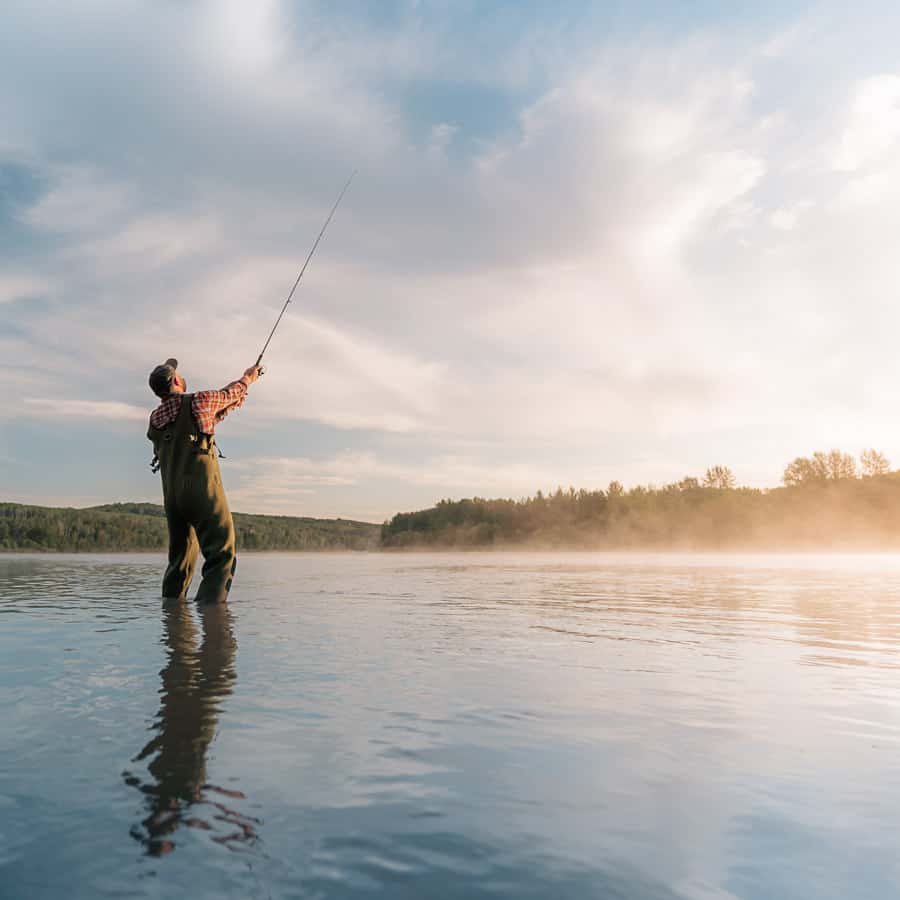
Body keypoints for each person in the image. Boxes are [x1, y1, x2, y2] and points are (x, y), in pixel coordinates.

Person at [147, 358, 262, 603]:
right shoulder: (199, 401)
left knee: (179, 561)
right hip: (202, 492)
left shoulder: (155, 419)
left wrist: (232, 402)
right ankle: (212, 615)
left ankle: (172, 621)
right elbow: (229, 393)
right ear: (177, 380)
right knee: (221, 554)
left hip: (172, 498)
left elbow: (210, 417)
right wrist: (248, 378)